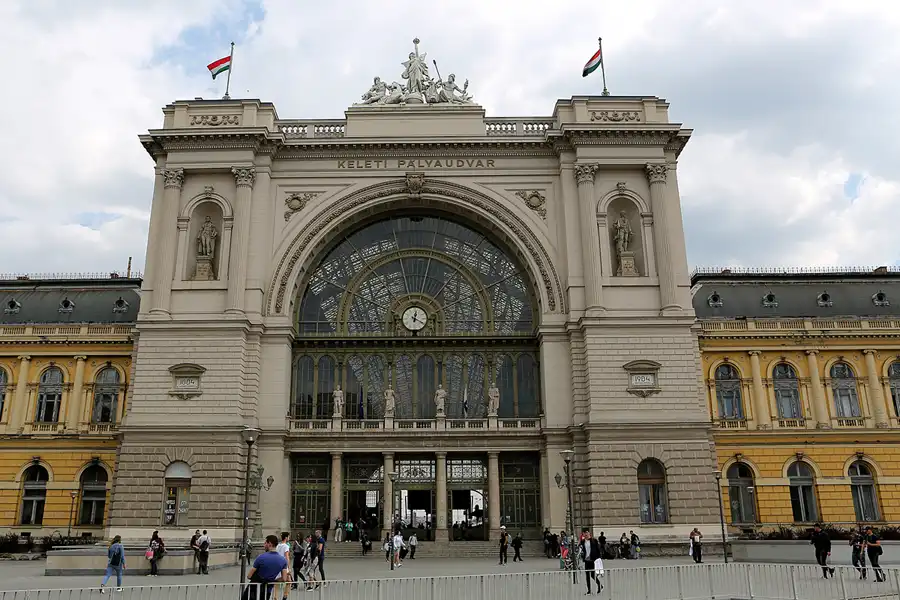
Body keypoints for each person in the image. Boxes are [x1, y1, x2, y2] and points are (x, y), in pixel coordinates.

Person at [245, 534, 290, 600]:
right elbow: (284, 579)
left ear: (270, 544)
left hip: (254, 589)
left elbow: (249, 576)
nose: (264, 545)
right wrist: (272, 580)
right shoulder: (283, 560)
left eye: (265, 543)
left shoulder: (261, 557)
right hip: (267, 590)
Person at [581, 529, 604, 595]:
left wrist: (598, 558)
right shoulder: (583, 542)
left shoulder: (594, 541)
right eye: (584, 533)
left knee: (592, 575)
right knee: (587, 576)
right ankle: (589, 590)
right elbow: (582, 549)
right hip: (586, 560)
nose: (586, 535)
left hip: (593, 560)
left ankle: (599, 585)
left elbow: (598, 550)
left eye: (587, 533)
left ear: (589, 534)